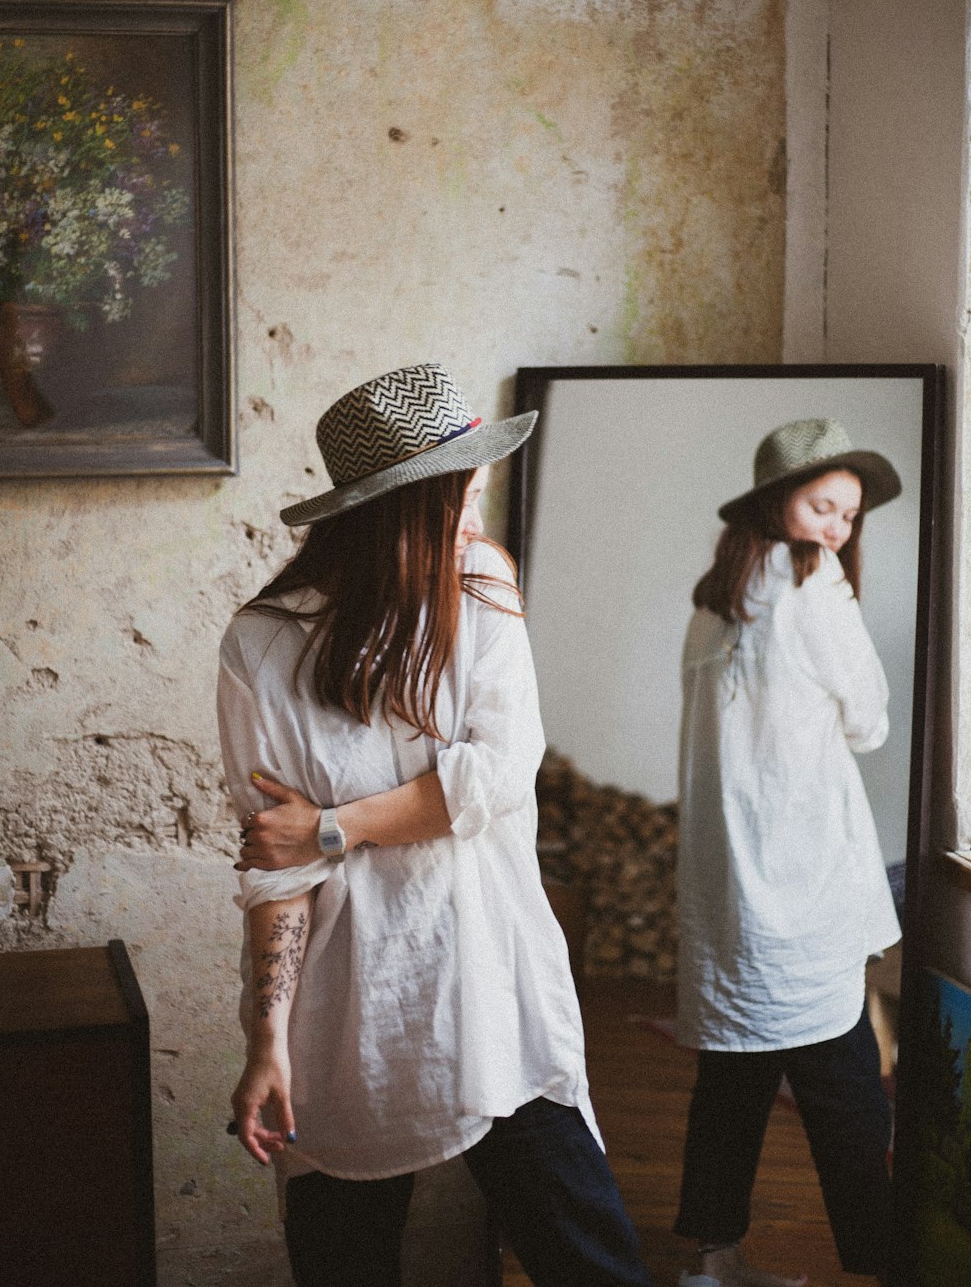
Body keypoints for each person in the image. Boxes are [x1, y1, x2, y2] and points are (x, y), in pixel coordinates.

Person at [217, 362, 655, 1287]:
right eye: (466, 480)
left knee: (592, 1258)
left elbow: (494, 775)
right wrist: (267, 1040)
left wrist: (331, 825)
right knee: (343, 1263)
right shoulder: (262, 645)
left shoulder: (482, 584)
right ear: (406, 505)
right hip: (350, 1012)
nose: (480, 496)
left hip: (493, 986)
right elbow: (275, 868)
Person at [673, 418, 903, 1287]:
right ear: (780, 504)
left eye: (848, 515)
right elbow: (872, 720)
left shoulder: (714, 599)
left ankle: (710, 1263)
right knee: (847, 1099)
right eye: (823, 505)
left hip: (731, 895)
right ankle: (884, 1266)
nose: (838, 529)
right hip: (800, 895)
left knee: (729, 1094)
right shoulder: (812, 584)